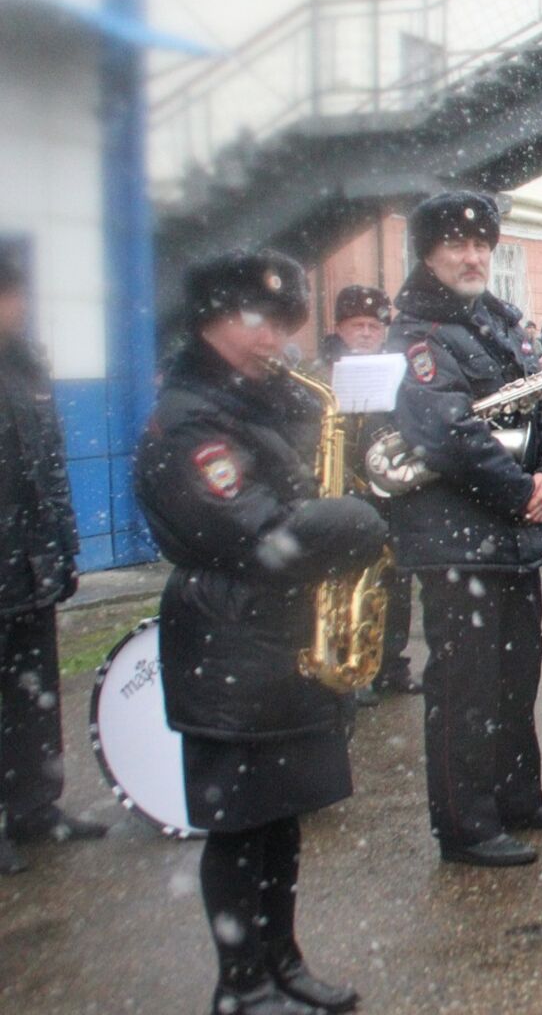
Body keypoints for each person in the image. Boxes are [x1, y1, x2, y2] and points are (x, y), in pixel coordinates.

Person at [135, 250, 386, 1015]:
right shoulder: (189, 419)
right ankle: (240, 984)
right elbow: (252, 533)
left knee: (282, 820)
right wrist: (343, 522)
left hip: (284, 641)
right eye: (258, 320)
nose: (275, 337)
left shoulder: (266, 399)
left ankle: (283, 960)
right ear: (210, 320)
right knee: (240, 828)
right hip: (228, 635)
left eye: (284, 322)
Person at [386, 192, 542, 867]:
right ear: (428, 252)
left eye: (482, 245)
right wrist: (520, 489)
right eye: (456, 245)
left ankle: (516, 797)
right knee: (464, 685)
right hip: (455, 537)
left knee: (514, 675)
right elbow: (445, 432)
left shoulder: (497, 321)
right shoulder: (417, 334)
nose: (472, 256)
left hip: (511, 533)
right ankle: (465, 825)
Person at [0, 247, 107, 876]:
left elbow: (51, 467)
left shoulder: (28, 362)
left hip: (31, 563)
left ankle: (38, 809)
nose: (19, 307)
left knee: (34, 695)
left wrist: (66, 549)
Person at [315, 285, 421, 707]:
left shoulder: (398, 367)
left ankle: (392, 663)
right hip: (345, 489)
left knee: (395, 578)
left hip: (390, 489)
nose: (365, 333)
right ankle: (353, 667)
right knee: (347, 580)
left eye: (374, 326)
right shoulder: (322, 373)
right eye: (356, 325)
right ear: (339, 328)